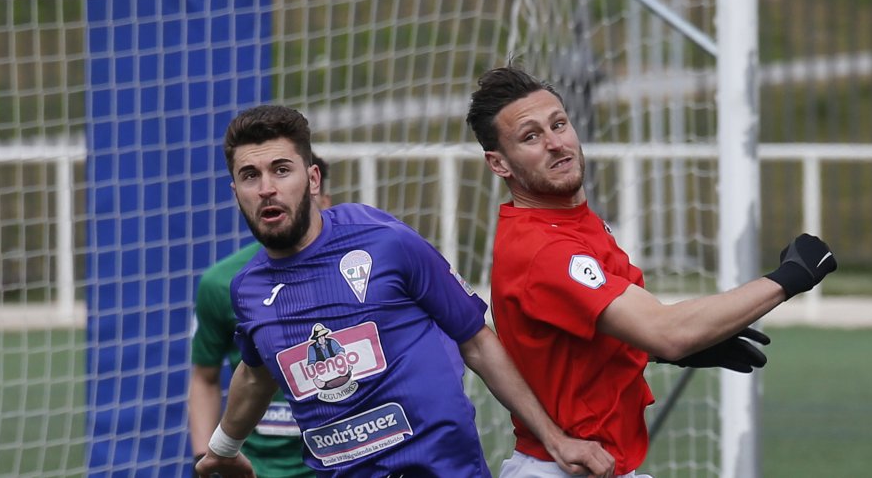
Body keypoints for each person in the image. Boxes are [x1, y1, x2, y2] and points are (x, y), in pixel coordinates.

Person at [195, 104, 614, 478]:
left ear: (313, 178)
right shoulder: (247, 290)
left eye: (281, 170)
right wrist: (223, 449)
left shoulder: (385, 241)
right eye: (250, 176)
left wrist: (555, 439)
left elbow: (477, 342)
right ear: (236, 191)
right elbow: (255, 375)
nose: (266, 187)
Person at [465, 66, 838, 477]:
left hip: (598, 464)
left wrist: (656, 351)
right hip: (559, 468)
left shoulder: (575, 222)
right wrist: (791, 276)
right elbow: (668, 331)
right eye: (531, 137)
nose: (556, 143)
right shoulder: (545, 249)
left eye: (559, 124)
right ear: (499, 164)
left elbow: (626, 328)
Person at [188, 154, 332, 478]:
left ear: (321, 195)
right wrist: (206, 459)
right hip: (257, 468)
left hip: (341, 462)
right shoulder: (224, 282)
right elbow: (204, 378)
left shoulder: (359, 273)